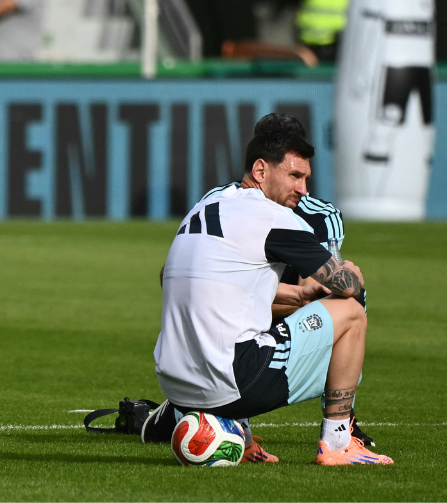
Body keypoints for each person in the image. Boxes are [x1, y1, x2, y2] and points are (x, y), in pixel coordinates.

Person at [154, 113, 393, 465]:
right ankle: (339, 441)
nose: (303, 190)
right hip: (229, 384)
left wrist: (299, 297)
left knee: (241, 316)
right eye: (295, 176)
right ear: (261, 171)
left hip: (176, 387)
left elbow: (174, 277)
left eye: (306, 179)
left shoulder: (206, 205)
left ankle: (243, 439)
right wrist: (351, 273)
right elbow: (345, 285)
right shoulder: (275, 217)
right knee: (352, 310)